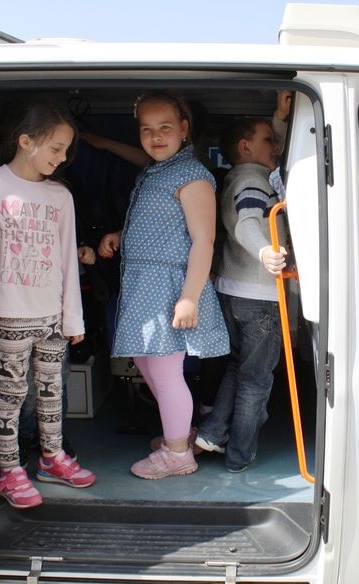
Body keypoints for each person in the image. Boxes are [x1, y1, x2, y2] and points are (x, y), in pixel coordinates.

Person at [0, 101, 96, 509]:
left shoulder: (60, 196)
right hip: (9, 313)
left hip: (51, 316)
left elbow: (67, 259)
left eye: (66, 151)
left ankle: (52, 459)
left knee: (51, 393)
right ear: (26, 141)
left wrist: (72, 317)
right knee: (11, 396)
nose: (61, 158)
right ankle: (9, 471)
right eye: (55, 148)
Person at [98, 90, 229, 480]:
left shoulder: (192, 175)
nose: (155, 137)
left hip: (171, 285)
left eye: (165, 128)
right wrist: (123, 234)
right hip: (146, 282)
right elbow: (163, 223)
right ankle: (180, 432)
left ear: (184, 129)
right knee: (145, 361)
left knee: (166, 369)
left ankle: (176, 454)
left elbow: (203, 241)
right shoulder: (159, 169)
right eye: (146, 129)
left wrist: (189, 298)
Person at [192, 116, 289, 473]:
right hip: (259, 293)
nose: (275, 146)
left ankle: (213, 432)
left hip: (232, 289)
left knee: (239, 366)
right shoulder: (254, 181)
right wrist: (265, 251)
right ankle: (239, 456)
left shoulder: (233, 178)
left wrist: (277, 119)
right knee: (257, 380)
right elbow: (249, 223)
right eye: (268, 140)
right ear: (246, 147)